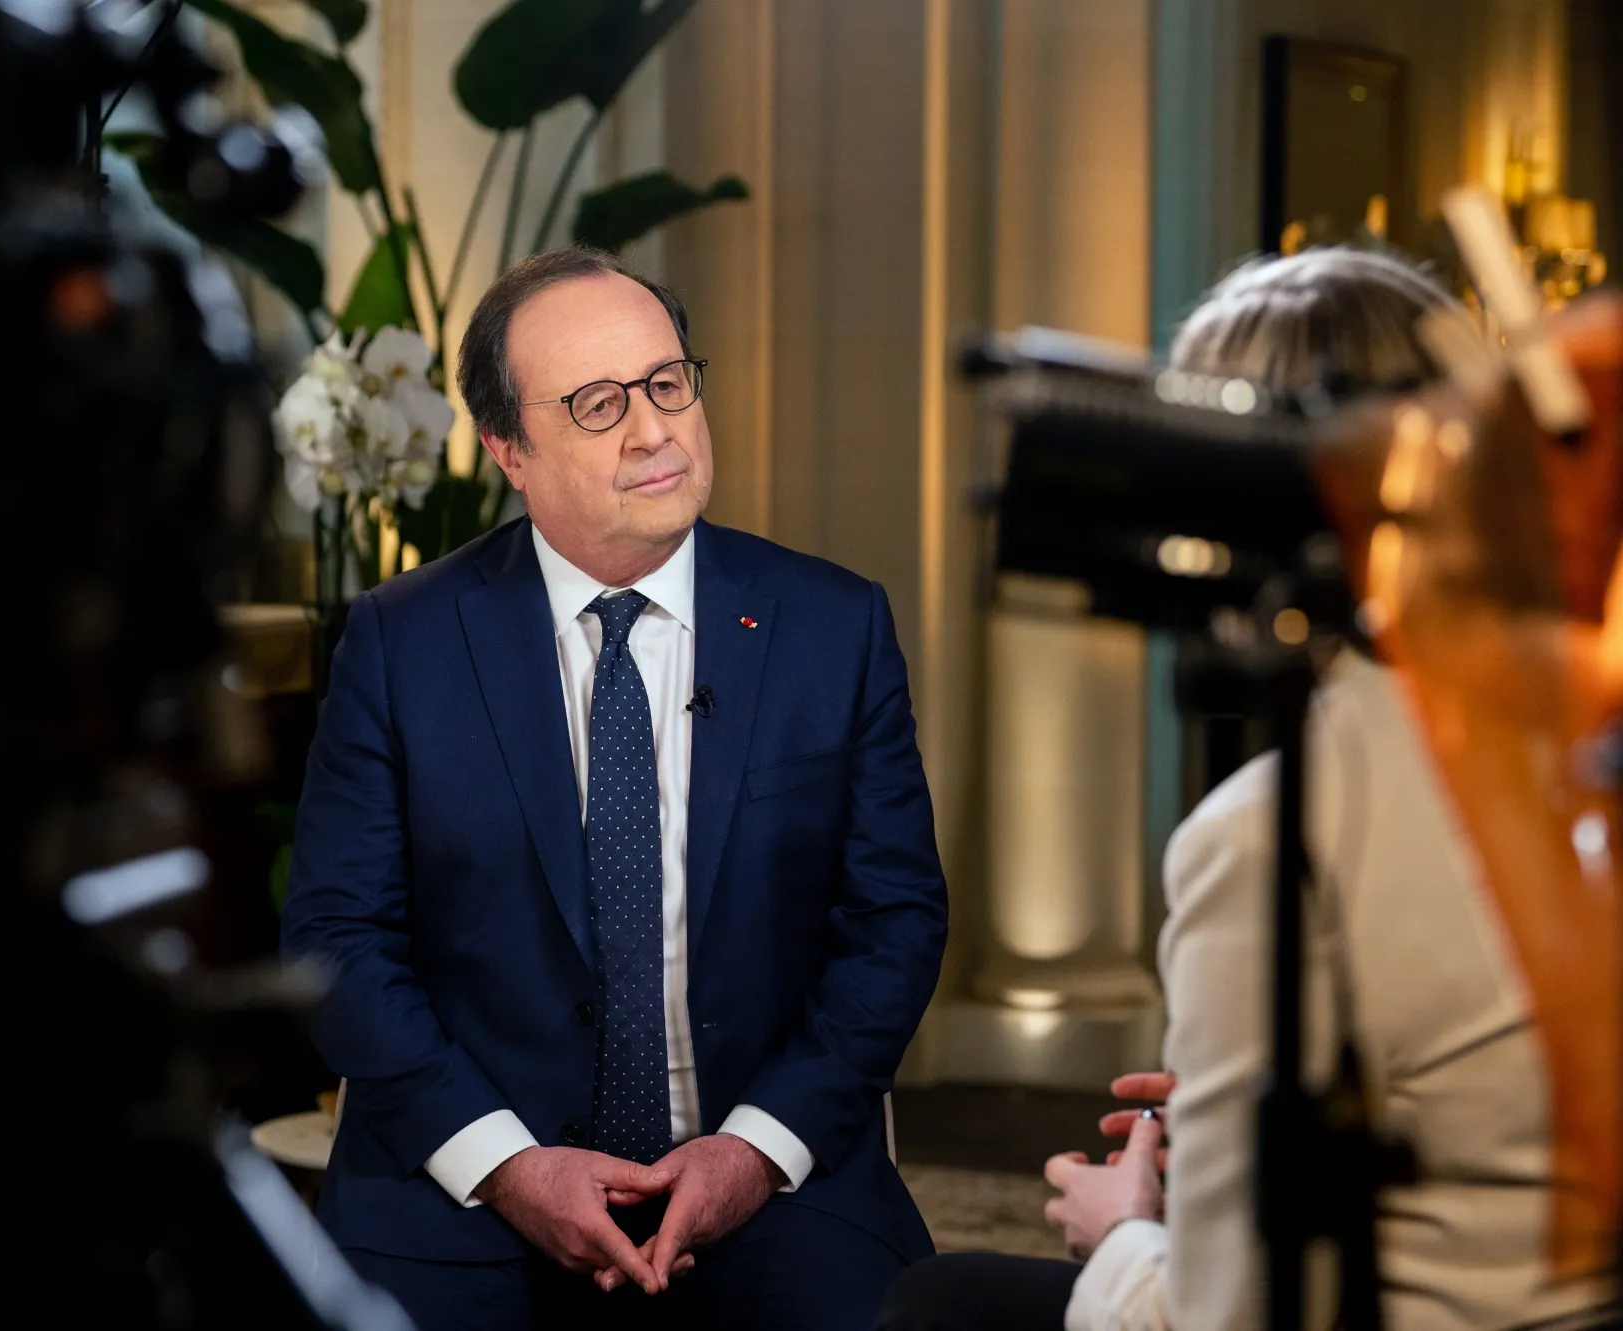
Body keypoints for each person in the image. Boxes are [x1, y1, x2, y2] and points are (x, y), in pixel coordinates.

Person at [879, 247, 1614, 1331]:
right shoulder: (1576, 729)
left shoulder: (1269, 833)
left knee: (942, 1300)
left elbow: (1228, 1314)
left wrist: (1118, 1226)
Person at [282, 246, 948, 1330]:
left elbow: (893, 922)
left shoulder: (833, 627)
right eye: (595, 404)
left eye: (665, 383)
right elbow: (338, 939)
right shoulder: (400, 643)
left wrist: (753, 1148)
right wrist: (506, 1165)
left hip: (765, 1173)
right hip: (469, 1181)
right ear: (507, 448)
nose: (652, 432)